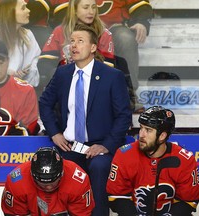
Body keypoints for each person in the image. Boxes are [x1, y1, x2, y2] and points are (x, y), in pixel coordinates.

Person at [39, 24, 132, 215]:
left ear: (93, 47)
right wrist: (55, 133)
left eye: (80, 41)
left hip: (100, 147)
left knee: (99, 167)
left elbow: (124, 116)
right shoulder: (63, 73)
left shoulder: (112, 76)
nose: (74, 45)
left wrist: (106, 146)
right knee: (58, 169)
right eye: (72, 41)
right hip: (69, 146)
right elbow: (44, 103)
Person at [107, 106, 199, 215]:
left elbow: (188, 202)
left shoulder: (184, 160)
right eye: (141, 128)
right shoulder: (124, 155)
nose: (141, 135)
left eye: (148, 130)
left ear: (162, 136)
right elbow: (117, 198)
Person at [37, 0, 116, 97]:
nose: (91, 12)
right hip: (65, 83)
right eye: (86, 7)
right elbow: (45, 62)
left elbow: (108, 67)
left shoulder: (104, 33)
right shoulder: (60, 31)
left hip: (94, 83)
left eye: (94, 7)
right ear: (74, 10)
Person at [1, 146, 95, 215]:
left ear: (61, 174)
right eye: (43, 183)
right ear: (33, 176)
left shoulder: (78, 181)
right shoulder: (16, 182)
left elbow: (82, 213)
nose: (49, 187)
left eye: (53, 182)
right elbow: (14, 213)